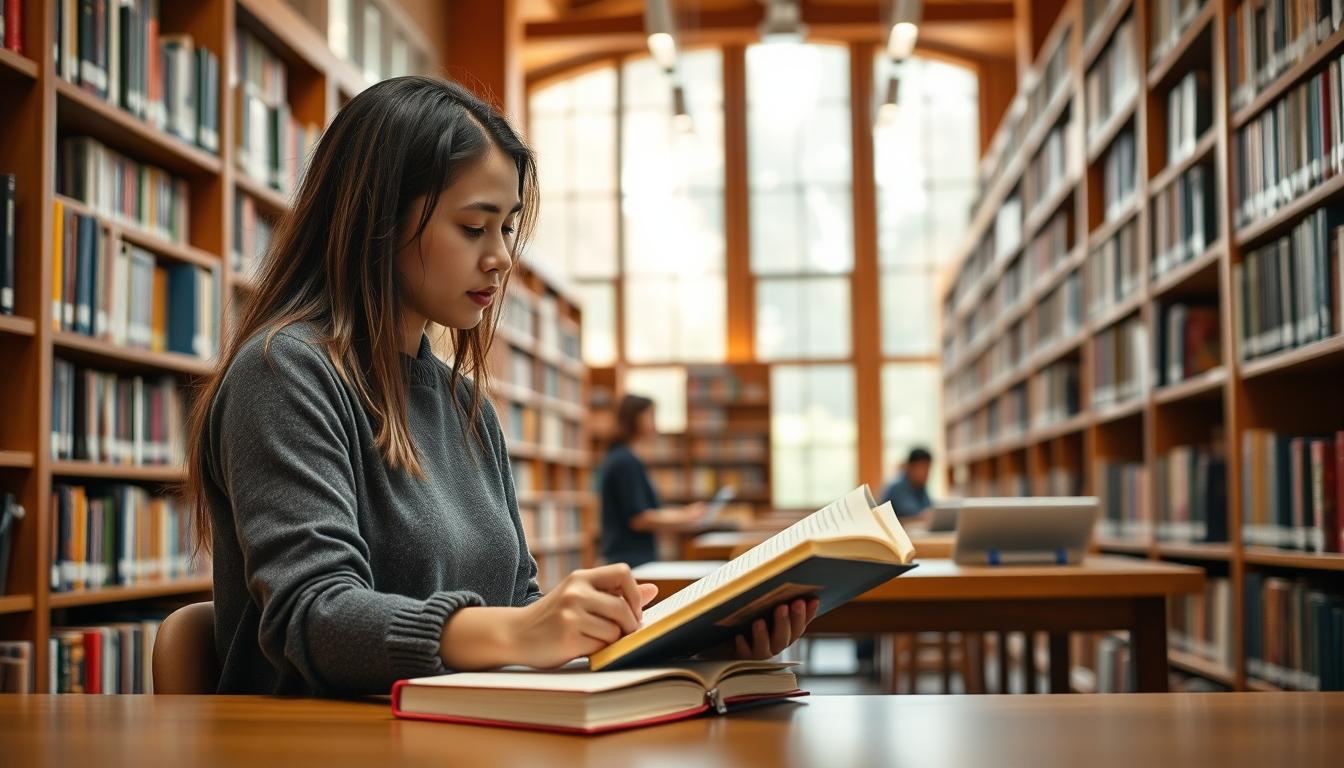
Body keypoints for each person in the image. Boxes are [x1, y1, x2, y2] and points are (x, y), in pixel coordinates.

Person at [184, 76, 817, 696]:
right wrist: (520, 632)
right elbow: (314, 618)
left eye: (507, 227)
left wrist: (690, 642)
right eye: (472, 226)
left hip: (459, 737)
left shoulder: (467, 408)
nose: (502, 257)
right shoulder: (285, 372)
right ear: (378, 221)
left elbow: (517, 606)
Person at [598, 394, 708, 568]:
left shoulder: (623, 457)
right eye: (650, 416)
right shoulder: (625, 461)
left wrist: (684, 515)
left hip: (629, 557)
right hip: (630, 559)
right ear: (635, 418)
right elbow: (639, 518)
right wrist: (684, 516)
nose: (655, 423)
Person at [880, 447, 934, 518]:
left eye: (928, 469)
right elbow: (907, 514)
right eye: (922, 468)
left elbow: (929, 509)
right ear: (910, 467)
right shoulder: (896, 489)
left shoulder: (920, 488)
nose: (925, 473)